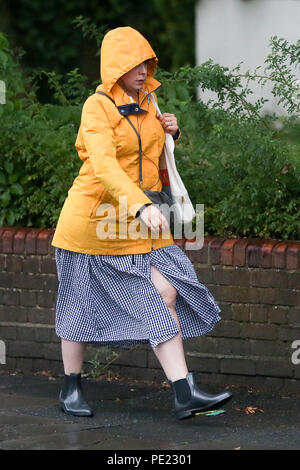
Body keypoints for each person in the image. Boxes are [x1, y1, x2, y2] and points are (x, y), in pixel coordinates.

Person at [51, 26, 232, 420]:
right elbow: (104, 164)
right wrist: (137, 205)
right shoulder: (96, 107)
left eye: (147, 62)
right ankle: (71, 386)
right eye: (134, 63)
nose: (143, 69)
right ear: (116, 66)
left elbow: (147, 156)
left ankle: (184, 391)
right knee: (77, 307)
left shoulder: (148, 99)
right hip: (93, 222)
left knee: (167, 289)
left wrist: (172, 132)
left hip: (145, 219)